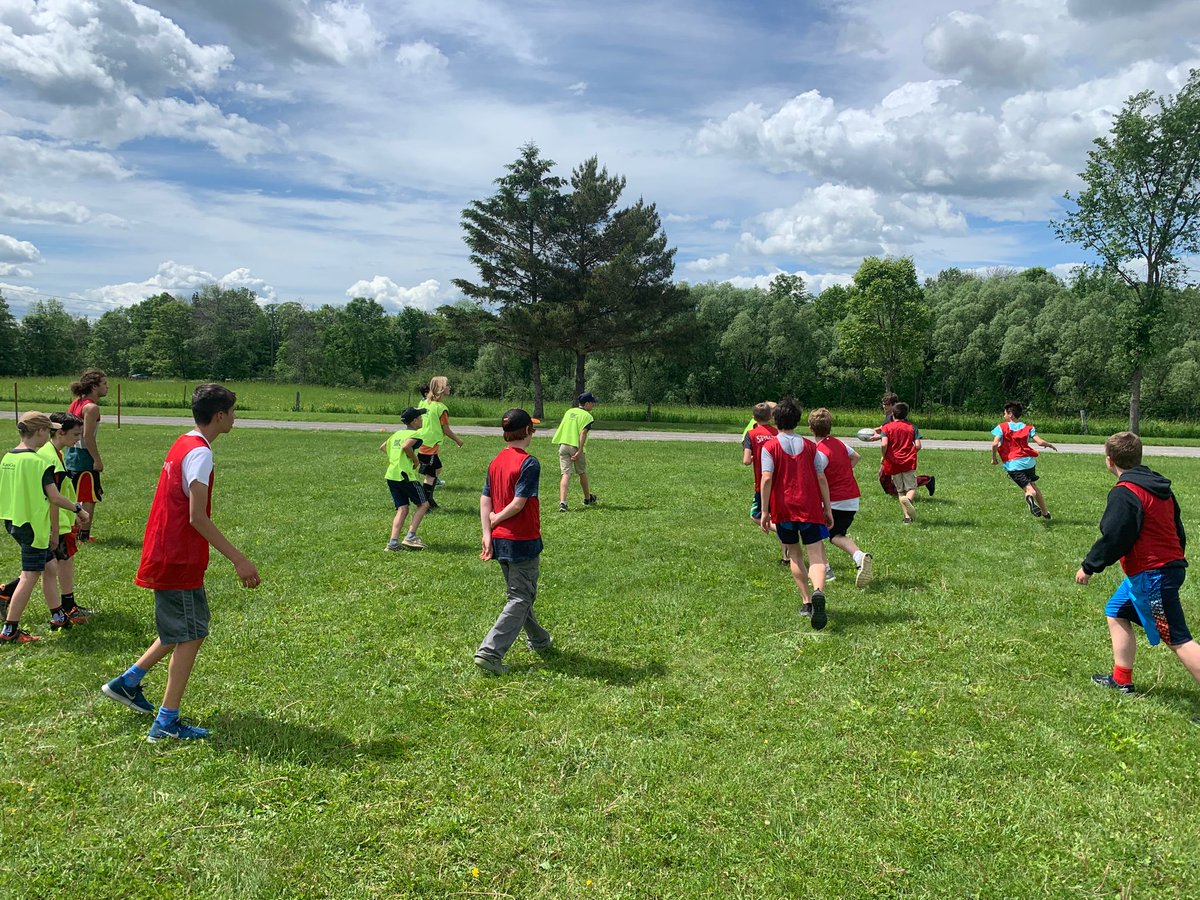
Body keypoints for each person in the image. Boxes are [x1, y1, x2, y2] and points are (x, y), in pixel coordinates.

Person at [100, 384, 261, 742]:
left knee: (180, 627)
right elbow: (197, 517)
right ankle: (166, 722)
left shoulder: (183, 442)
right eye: (233, 411)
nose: (235, 417)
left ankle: (127, 683)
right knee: (192, 632)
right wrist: (239, 559)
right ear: (219, 416)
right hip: (176, 557)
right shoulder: (201, 453)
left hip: (167, 551)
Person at [1076, 432, 1198, 725]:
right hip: (1160, 571)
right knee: (1116, 611)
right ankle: (1122, 680)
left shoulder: (1125, 491)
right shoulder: (1159, 486)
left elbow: (1115, 536)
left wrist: (1089, 566)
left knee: (1177, 639)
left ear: (1110, 460)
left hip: (1153, 576)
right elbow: (1177, 529)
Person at [0, 412, 91, 643]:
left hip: (13, 521)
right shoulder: (40, 462)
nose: (48, 435)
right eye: (47, 430)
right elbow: (55, 497)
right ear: (39, 432)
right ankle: (9, 630)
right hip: (33, 525)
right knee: (30, 575)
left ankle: (58, 616)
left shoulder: (8, 457)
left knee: (50, 566)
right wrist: (78, 509)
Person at [475, 409, 553, 675]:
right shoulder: (529, 463)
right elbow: (519, 504)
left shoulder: (496, 460)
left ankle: (539, 640)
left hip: (500, 541)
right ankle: (490, 652)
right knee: (520, 596)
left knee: (520, 594)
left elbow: (485, 499)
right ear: (528, 432)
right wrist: (495, 520)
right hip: (522, 539)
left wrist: (488, 532)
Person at [759, 397, 834, 629]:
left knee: (794, 554)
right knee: (817, 557)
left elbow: (767, 478)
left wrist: (764, 511)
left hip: (784, 509)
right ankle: (819, 590)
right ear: (798, 421)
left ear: (775, 419)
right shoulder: (813, 448)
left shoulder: (769, 447)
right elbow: (821, 478)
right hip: (809, 507)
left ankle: (806, 602)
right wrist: (828, 508)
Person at [809, 407, 873, 588]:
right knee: (836, 534)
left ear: (811, 429)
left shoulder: (819, 452)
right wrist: (842, 472)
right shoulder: (839, 444)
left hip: (834, 500)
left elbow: (819, 477)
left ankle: (826, 569)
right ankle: (859, 557)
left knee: (814, 533)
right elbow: (856, 457)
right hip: (852, 499)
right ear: (830, 427)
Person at [991, 401, 1058, 519]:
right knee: (1033, 486)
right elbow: (1040, 442)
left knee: (1029, 489)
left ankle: (1030, 499)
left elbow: (994, 444)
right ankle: (1045, 513)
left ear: (1010, 414)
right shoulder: (1028, 428)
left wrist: (994, 458)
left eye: (1005, 413)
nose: (1004, 415)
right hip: (1029, 463)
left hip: (1013, 464)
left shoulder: (1002, 427)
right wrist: (1049, 445)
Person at [863, 392, 935, 498]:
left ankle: (924, 481)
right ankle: (902, 492)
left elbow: (895, 434)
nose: (884, 406)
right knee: (886, 476)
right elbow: (885, 429)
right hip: (892, 452)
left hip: (894, 453)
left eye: (886, 404)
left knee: (890, 477)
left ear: (894, 405)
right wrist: (873, 431)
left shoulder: (898, 418)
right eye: (883, 403)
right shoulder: (889, 417)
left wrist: (879, 438)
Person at [64, 369, 108, 542]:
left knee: (73, 496)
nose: (107, 388)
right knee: (89, 496)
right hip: (83, 457)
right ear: (94, 386)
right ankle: (83, 536)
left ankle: (73, 531)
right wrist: (97, 459)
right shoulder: (91, 407)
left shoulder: (76, 403)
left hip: (71, 455)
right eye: (104, 384)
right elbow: (87, 436)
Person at [381, 407, 431, 550]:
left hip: (392, 475)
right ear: (414, 421)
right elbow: (406, 446)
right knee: (423, 504)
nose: (422, 420)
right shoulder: (416, 433)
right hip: (405, 476)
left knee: (402, 508)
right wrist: (415, 461)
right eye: (420, 418)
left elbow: (383, 446)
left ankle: (393, 543)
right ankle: (411, 537)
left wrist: (395, 459)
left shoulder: (397, 434)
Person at [415, 376, 464, 509]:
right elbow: (446, 429)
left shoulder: (423, 403)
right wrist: (458, 440)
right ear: (441, 388)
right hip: (429, 445)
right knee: (431, 475)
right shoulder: (441, 408)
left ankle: (429, 500)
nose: (450, 387)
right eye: (448, 385)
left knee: (437, 468)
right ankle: (425, 503)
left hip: (423, 443)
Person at [552, 392, 599, 512]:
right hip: (575, 447)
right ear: (587, 403)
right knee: (582, 472)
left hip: (563, 445)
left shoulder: (569, 412)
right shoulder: (588, 416)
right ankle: (587, 498)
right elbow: (583, 433)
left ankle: (563, 503)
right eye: (592, 403)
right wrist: (579, 451)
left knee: (565, 474)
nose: (593, 405)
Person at [880, 401, 922, 524]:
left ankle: (907, 518)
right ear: (906, 414)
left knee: (900, 491)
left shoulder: (887, 427)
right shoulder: (912, 427)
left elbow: (884, 444)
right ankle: (908, 500)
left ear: (893, 414)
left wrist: (884, 455)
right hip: (908, 462)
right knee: (912, 487)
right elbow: (918, 445)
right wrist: (911, 452)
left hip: (893, 462)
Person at [742, 401, 778, 522]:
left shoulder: (751, 434)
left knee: (755, 514)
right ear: (770, 417)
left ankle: (778, 531)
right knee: (777, 516)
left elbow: (746, 460)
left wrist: (755, 457)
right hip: (779, 481)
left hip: (762, 481)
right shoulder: (777, 433)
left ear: (754, 417)